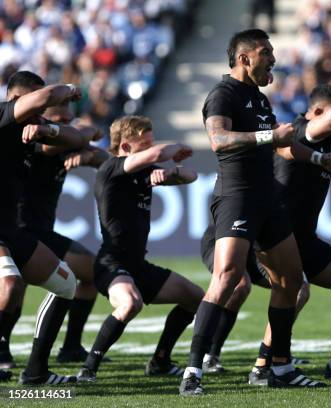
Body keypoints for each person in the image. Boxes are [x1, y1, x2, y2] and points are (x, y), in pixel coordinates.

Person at [179, 28, 325, 395]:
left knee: (292, 280)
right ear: (245, 57)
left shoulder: (259, 99)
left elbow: (279, 145)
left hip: (267, 199)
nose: (273, 59)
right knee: (227, 276)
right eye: (267, 52)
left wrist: (319, 157)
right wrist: (267, 137)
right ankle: (193, 372)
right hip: (237, 196)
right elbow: (218, 140)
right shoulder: (223, 94)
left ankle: (278, 367)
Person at [247, 84, 331, 385]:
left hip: (304, 240)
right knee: (296, 290)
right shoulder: (301, 130)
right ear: (318, 111)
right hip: (275, 236)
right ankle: (262, 366)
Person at [75, 116, 204, 382]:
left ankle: (161, 361)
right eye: (142, 143)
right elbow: (158, 153)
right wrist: (175, 147)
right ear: (124, 147)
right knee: (130, 303)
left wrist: (172, 173)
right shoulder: (112, 167)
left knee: (195, 298)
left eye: (150, 141)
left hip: (137, 265)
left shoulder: (143, 172)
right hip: (111, 264)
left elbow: (192, 175)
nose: (150, 147)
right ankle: (88, 368)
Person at [0, 71, 95, 385]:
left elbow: (80, 138)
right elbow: (45, 97)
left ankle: (36, 371)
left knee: (66, 283)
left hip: (11, 231)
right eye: (35, 104)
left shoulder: (34, 130)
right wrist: (69, 89)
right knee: (11, 285)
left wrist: (48, 127)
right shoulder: (3, 115)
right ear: (19, 100)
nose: (42, 111)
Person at [199, 225, 311, 374]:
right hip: (226, 236)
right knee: (240, 286)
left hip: (258, 245)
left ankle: (279, 351)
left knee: (297, 290)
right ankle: (210, 355)